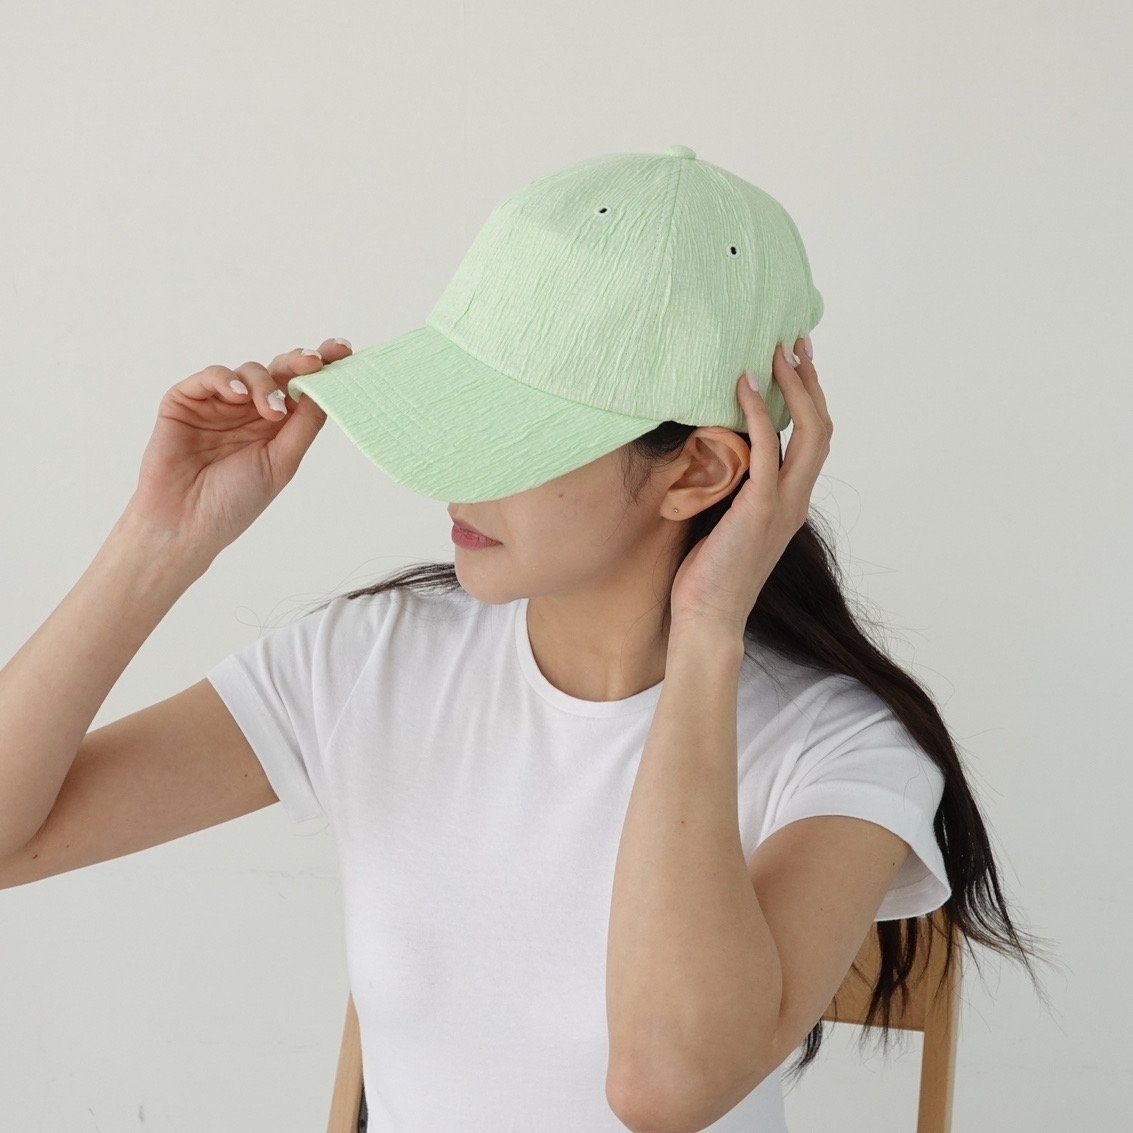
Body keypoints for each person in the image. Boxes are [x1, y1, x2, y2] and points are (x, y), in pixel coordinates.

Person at [0, 147, 1049, 1131]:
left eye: (512, 437)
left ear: (697, 471)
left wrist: (706, 633)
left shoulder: (844, 750)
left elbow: (664, 1088)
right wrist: (162, 539)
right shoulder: (376, 658)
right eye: (455, 415)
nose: (453, 477)